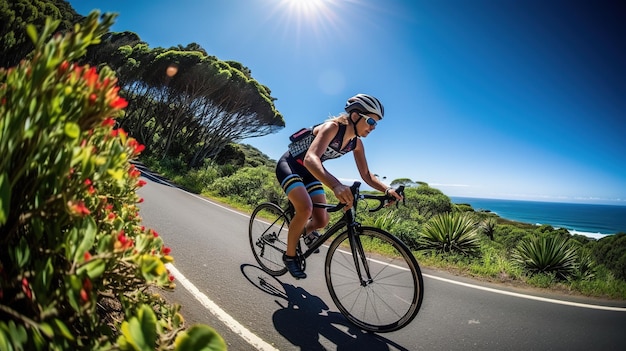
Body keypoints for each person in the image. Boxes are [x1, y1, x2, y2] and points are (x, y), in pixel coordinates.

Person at [275, 93, 403, 279]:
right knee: (305, 209)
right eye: (370, 121)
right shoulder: (332, 128)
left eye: (376, 123)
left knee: (321, 220)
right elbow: (311, 159)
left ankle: (294, 237)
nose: (373, 127)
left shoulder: (356, 143)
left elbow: (366, 175)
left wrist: (387, 189)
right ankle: (290, 255)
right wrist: (336, 185)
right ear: (355, 115)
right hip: (291, 165)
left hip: (310, 173)